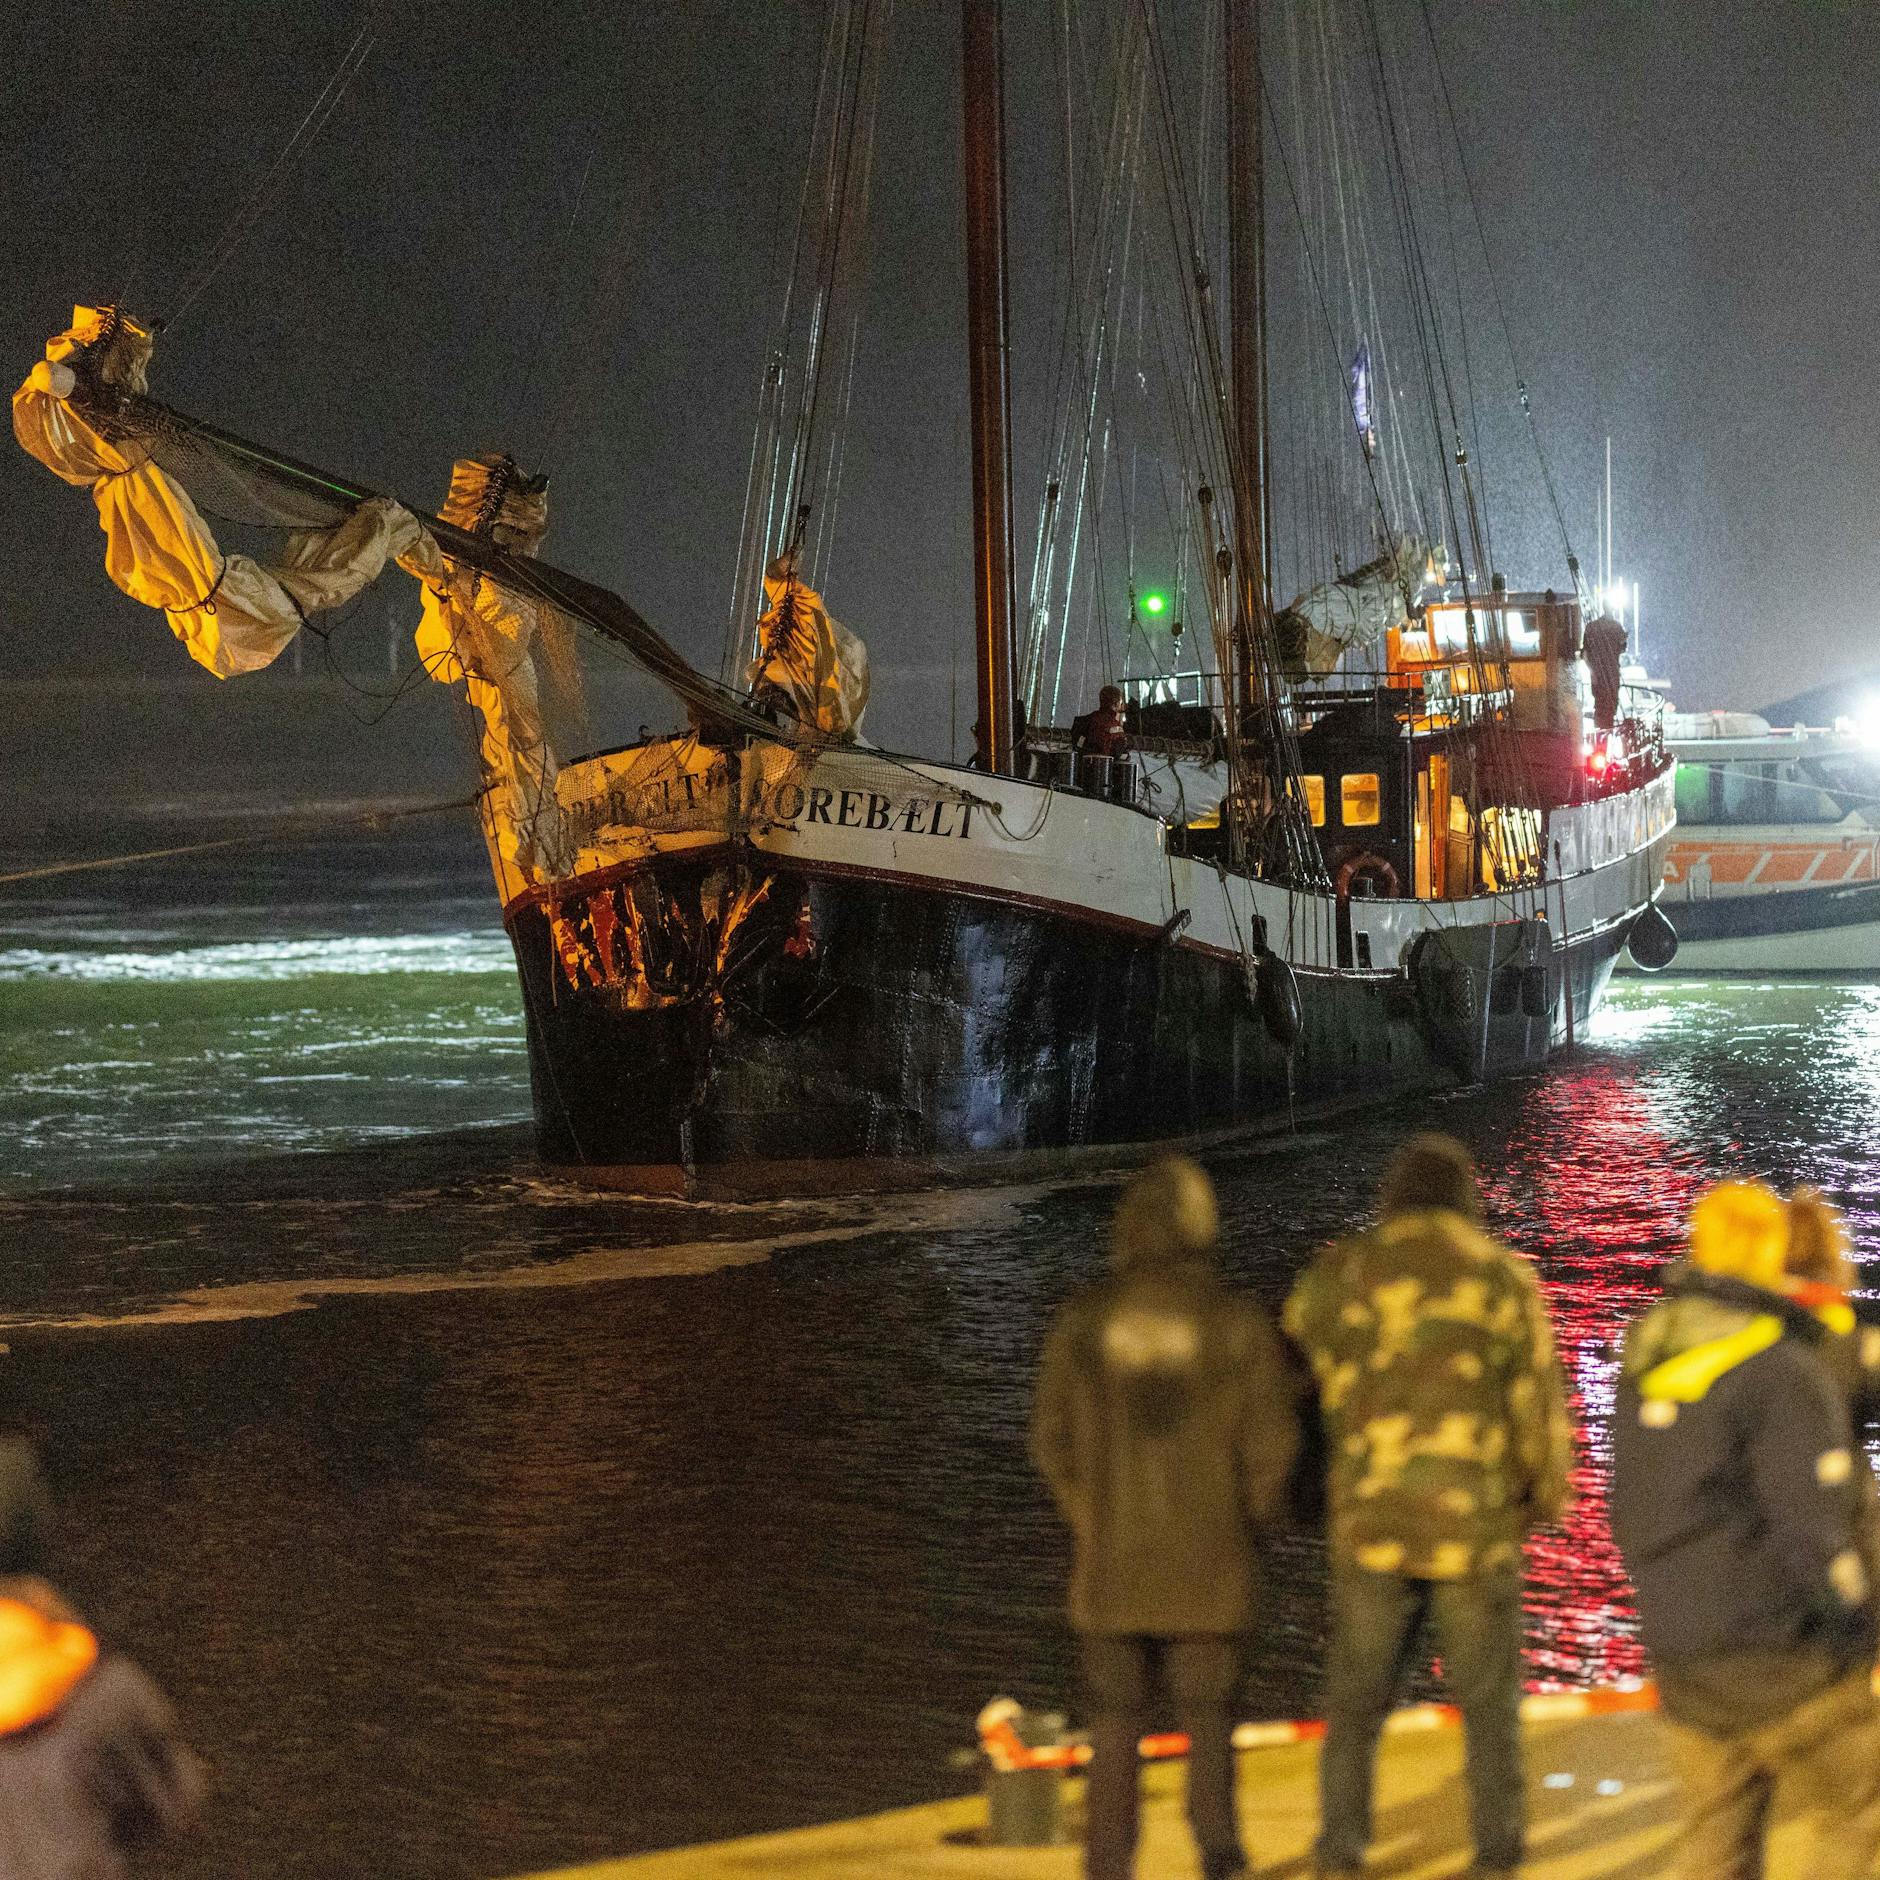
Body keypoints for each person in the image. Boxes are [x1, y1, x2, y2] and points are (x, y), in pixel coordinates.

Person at [1284, 1133, 1572, 1880]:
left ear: (1393, 1198)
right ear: (1465, 1200)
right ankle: (1495, 1855)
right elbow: (1537, 1408)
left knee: (1356, 1700)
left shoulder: (1342, 1273)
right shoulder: (1503, 1279)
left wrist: (1306, 1488)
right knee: (1488, 1704)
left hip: (1372, 1524)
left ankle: (1340, 1850)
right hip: (1473, 1528)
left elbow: (1288, 1378)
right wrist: (1540, 1500)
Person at [1030, 1156, 1301, 1880]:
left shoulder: (1084, 1323)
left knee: (1114, 1725)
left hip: (1111, 1569)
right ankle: (1218, 1855)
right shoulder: (1237, 1324)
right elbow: (1273, 1449)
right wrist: (1242, 1524)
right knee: (1209, 1723)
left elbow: (1051, 1442)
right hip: (1211, 1570)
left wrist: (1091, 1517)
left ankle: (1108, 1863)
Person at [1611, 1179, 1880, 1880]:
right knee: (1861, 1816)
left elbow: (1628, 1508)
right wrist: (1858, 1627)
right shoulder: (1781, 1368)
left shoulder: (1647, 1358)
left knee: (1716, 1849)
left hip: (1685, 1660)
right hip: (1784, 1658)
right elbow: (1813, 1528)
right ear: (1767, 1252)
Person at [1070, 685, 1129, 758]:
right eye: (1120, 702)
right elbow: (1115, 751)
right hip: (1105, 763)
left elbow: (1079, 744)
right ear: (1116, 703)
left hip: (1085, 761)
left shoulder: (1087, 720)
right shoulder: (1115, 725)